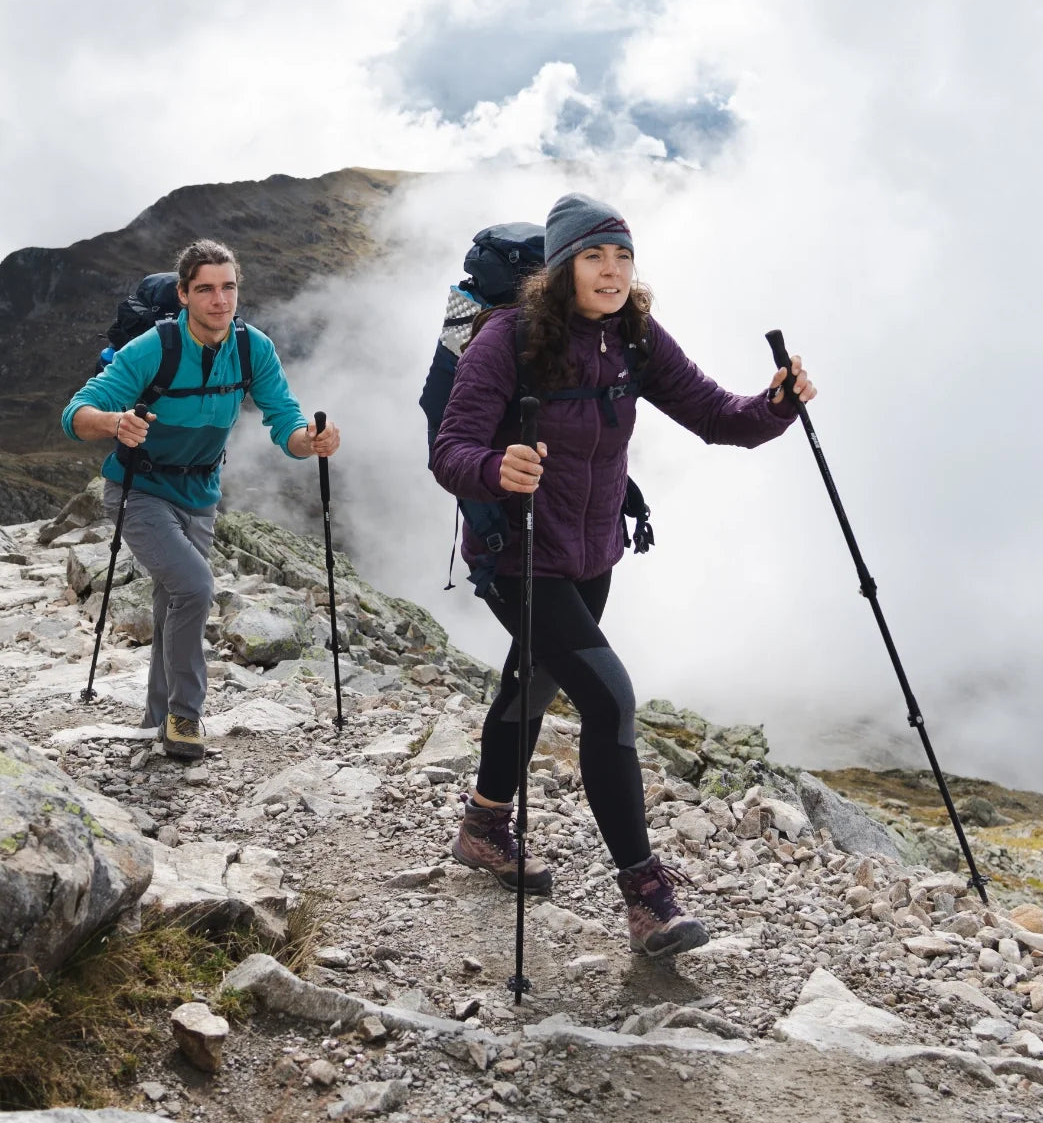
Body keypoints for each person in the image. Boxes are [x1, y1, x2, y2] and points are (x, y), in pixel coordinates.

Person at [430, 193, 814, 957]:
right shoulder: (508, 338)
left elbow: (717, 416)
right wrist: (496, 468)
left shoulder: (634, 336)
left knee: (533, 683)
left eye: (623, 257)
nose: (611, 271)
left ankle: (480, 826)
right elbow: (450, 452)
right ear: (563, 266)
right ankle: (647, 899)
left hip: (591, 552)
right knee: (610, 700)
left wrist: (774, 407)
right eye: (594, 257)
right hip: (517, 553)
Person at [61, 239, 340, 761]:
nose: (220, 299)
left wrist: (311, 441)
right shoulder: (154, 347)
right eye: (206, 289)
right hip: (138, 488)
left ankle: (155, 718)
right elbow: (76, 413)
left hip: (201, 493)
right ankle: (186, 718)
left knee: (176, 600)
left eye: (228, 287)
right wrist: (114, 424)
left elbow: (285, 421)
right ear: (185, 295)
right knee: (194, 586)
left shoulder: (253, 347)